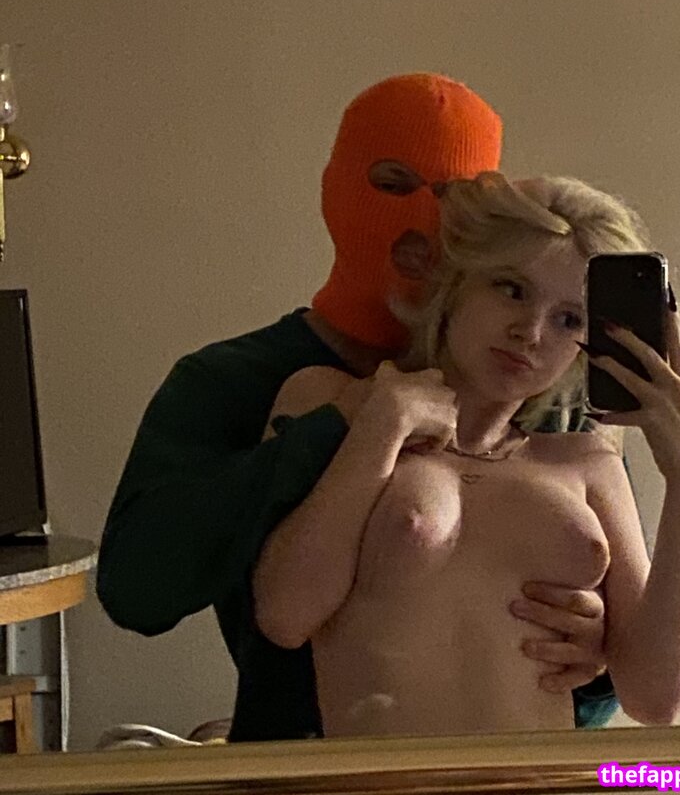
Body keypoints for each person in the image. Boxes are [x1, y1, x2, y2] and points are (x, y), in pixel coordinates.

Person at [96, 74, 616, 742]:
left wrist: (599, 651)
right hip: (302, 765)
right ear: (335, 191)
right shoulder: (231, 381)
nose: (422, 217)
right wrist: (337, 430)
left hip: (518, 765)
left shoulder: (537, 386)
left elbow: (603, 658)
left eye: (455, 198)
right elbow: (137, 589)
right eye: (393, 183)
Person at [253, 173, 680, 736]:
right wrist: (381, 430)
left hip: (548, 775)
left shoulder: (589, 462)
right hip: (384, 775)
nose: (530, 332)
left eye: (569, 319)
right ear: (456, 282)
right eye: (511, 289)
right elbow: (284, 616)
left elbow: (658, 700)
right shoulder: (334, 401)